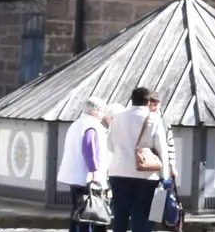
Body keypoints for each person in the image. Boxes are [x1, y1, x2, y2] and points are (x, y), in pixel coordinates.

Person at [107, 88, 168, 232]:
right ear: (148, 102)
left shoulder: (118, 117)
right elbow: (161, 148)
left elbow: (109, 144)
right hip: (145, 174)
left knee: (120, 214)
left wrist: (123, 152)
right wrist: (165, 175)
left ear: (131, 100)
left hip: (118, 171)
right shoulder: (154, 118)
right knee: (141, 214)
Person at [58, 97, 112, 232]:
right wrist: (94, 171)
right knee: (87, 212)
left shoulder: (77, 124)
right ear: (93, 111)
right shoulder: (91, 125)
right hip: (86, 177)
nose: (103, 114)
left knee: (77, 211)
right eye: (101, 111)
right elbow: (89, 148)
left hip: (75, 176)